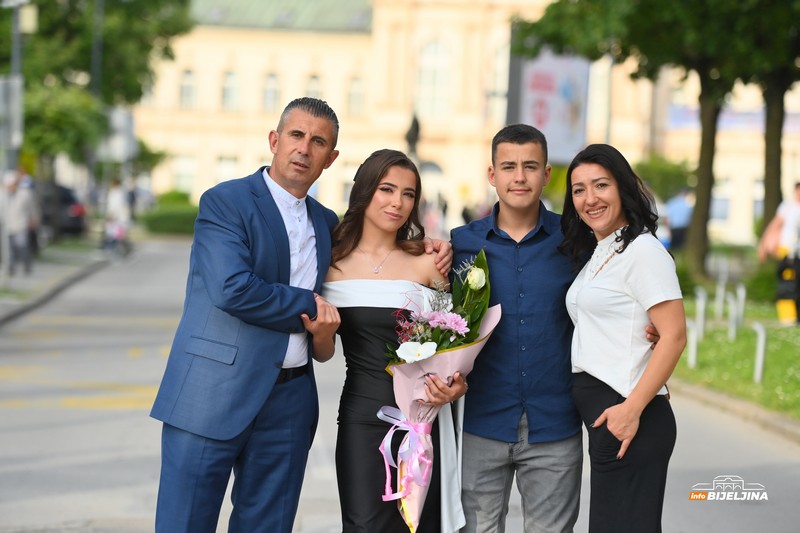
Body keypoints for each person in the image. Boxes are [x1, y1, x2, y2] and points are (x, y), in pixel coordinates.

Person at [150, 97, 452, 533]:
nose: (304, 149)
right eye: (295, 136)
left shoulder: (327, 224)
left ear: (330, 159)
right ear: (274, 140)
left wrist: (426, 247)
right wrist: (310, 305)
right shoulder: (225, 202)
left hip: (289, 403)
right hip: (211, 394)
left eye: (318, 142)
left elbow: (374, 251)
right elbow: (230, 289)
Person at [322, 148, 467, 533]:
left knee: (420, 525)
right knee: (363, 524)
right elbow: (322, 353)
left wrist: (452, 386)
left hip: (423, 418)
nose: (398, 202)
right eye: (387, 189)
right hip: (361, 417)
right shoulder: (331, 265)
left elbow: (452, 339)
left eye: (408, 194)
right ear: (365, 192)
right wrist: (321, 332)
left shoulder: (429, 262)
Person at [450, 124, 583, 533]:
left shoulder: (576, 242)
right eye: (508, 166)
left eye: (530, 166)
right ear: (492, 175)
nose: (519, 177)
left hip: (555, 424)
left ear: (546, 173)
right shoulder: (459, 245)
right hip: (479, 423)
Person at [560, 144, 686, 533]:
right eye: (579, 189)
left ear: (623, 188)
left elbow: (675, 335)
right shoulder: (604, 250)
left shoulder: (644, 250)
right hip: (609, 415)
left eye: (601, 185)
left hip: (630, 415)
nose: (589, 198)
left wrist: (631, 411)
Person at [758, 182, 800, 324]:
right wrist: (764, 244)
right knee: (788, 284)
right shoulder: (788, 207)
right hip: (788, 252)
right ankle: (788, 317)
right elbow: (776, 225)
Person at [4, 168, 41, 276]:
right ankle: (10, 269)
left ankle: (27, 266)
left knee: (23, 246)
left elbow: (33, 208)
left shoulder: (25, 194)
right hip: (8, 225)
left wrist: (34, 219)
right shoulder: (3, 195)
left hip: (21, 224)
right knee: (9, 249)